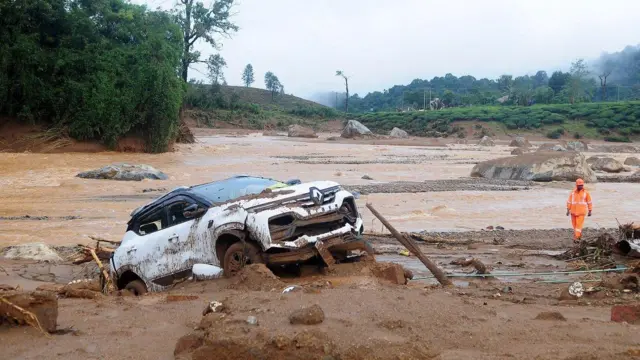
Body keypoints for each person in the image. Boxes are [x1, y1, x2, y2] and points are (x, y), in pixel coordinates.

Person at [566, 178, 593, 243]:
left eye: (582, 185)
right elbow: (569, 202)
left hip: (581, 213)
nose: (581, 186)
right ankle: (579, 237)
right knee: (575, 226)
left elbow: (589, 202)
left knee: (578, 226)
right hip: (573, 212)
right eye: (579, 185)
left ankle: (576, 239)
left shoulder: (586, 193)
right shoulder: (572, 193)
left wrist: (590, 210)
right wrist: (568, 210)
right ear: (576, 185)